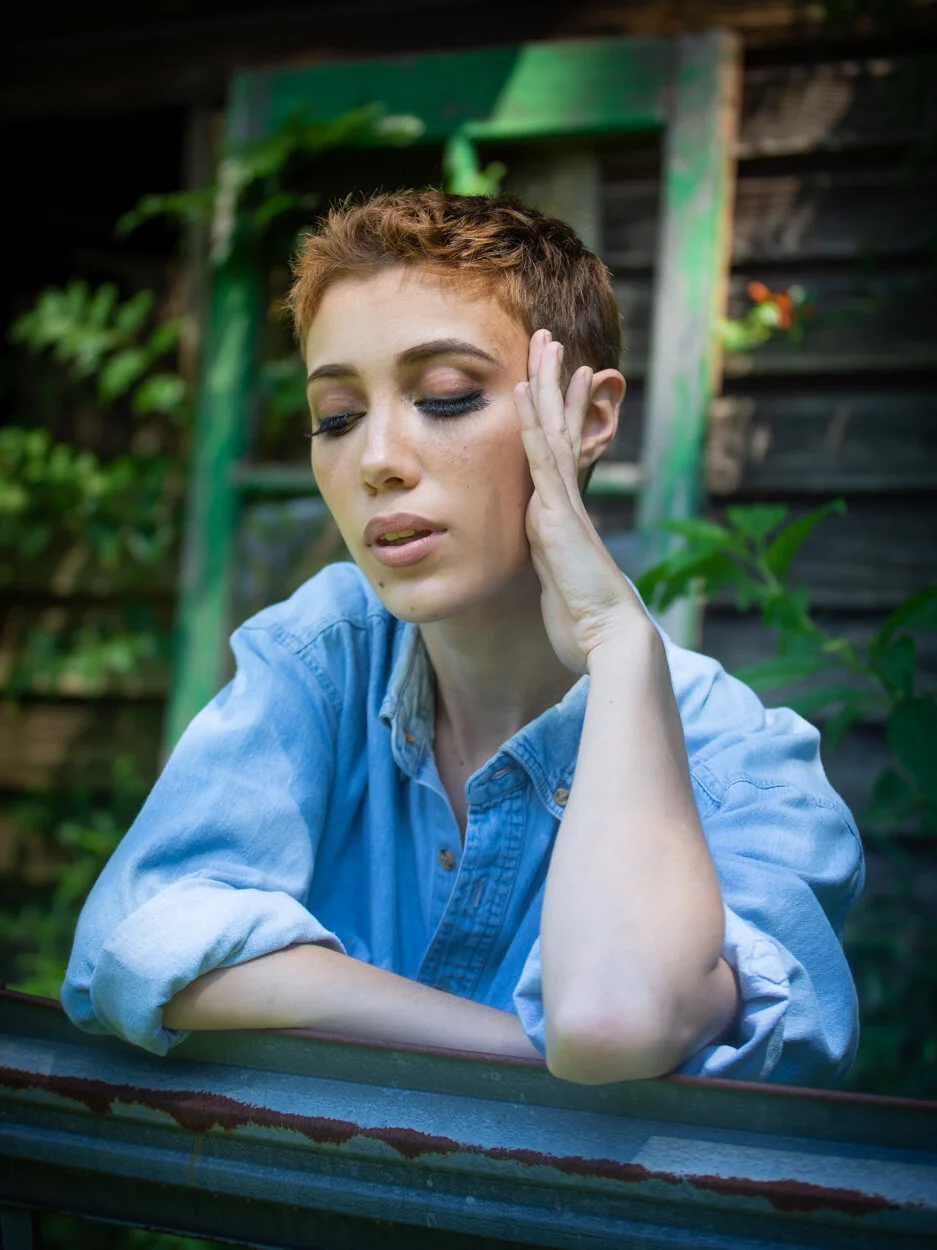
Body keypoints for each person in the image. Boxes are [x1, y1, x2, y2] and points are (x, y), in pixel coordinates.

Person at [62, 191, 863, 1086]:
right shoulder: (324, 655)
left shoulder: (748, 774)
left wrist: (619, 646)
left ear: (589, 419)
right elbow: (132, 941)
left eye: (444, 397)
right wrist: (511, 1050)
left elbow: (610, 1022)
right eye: (335, 416)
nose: (375, 458)